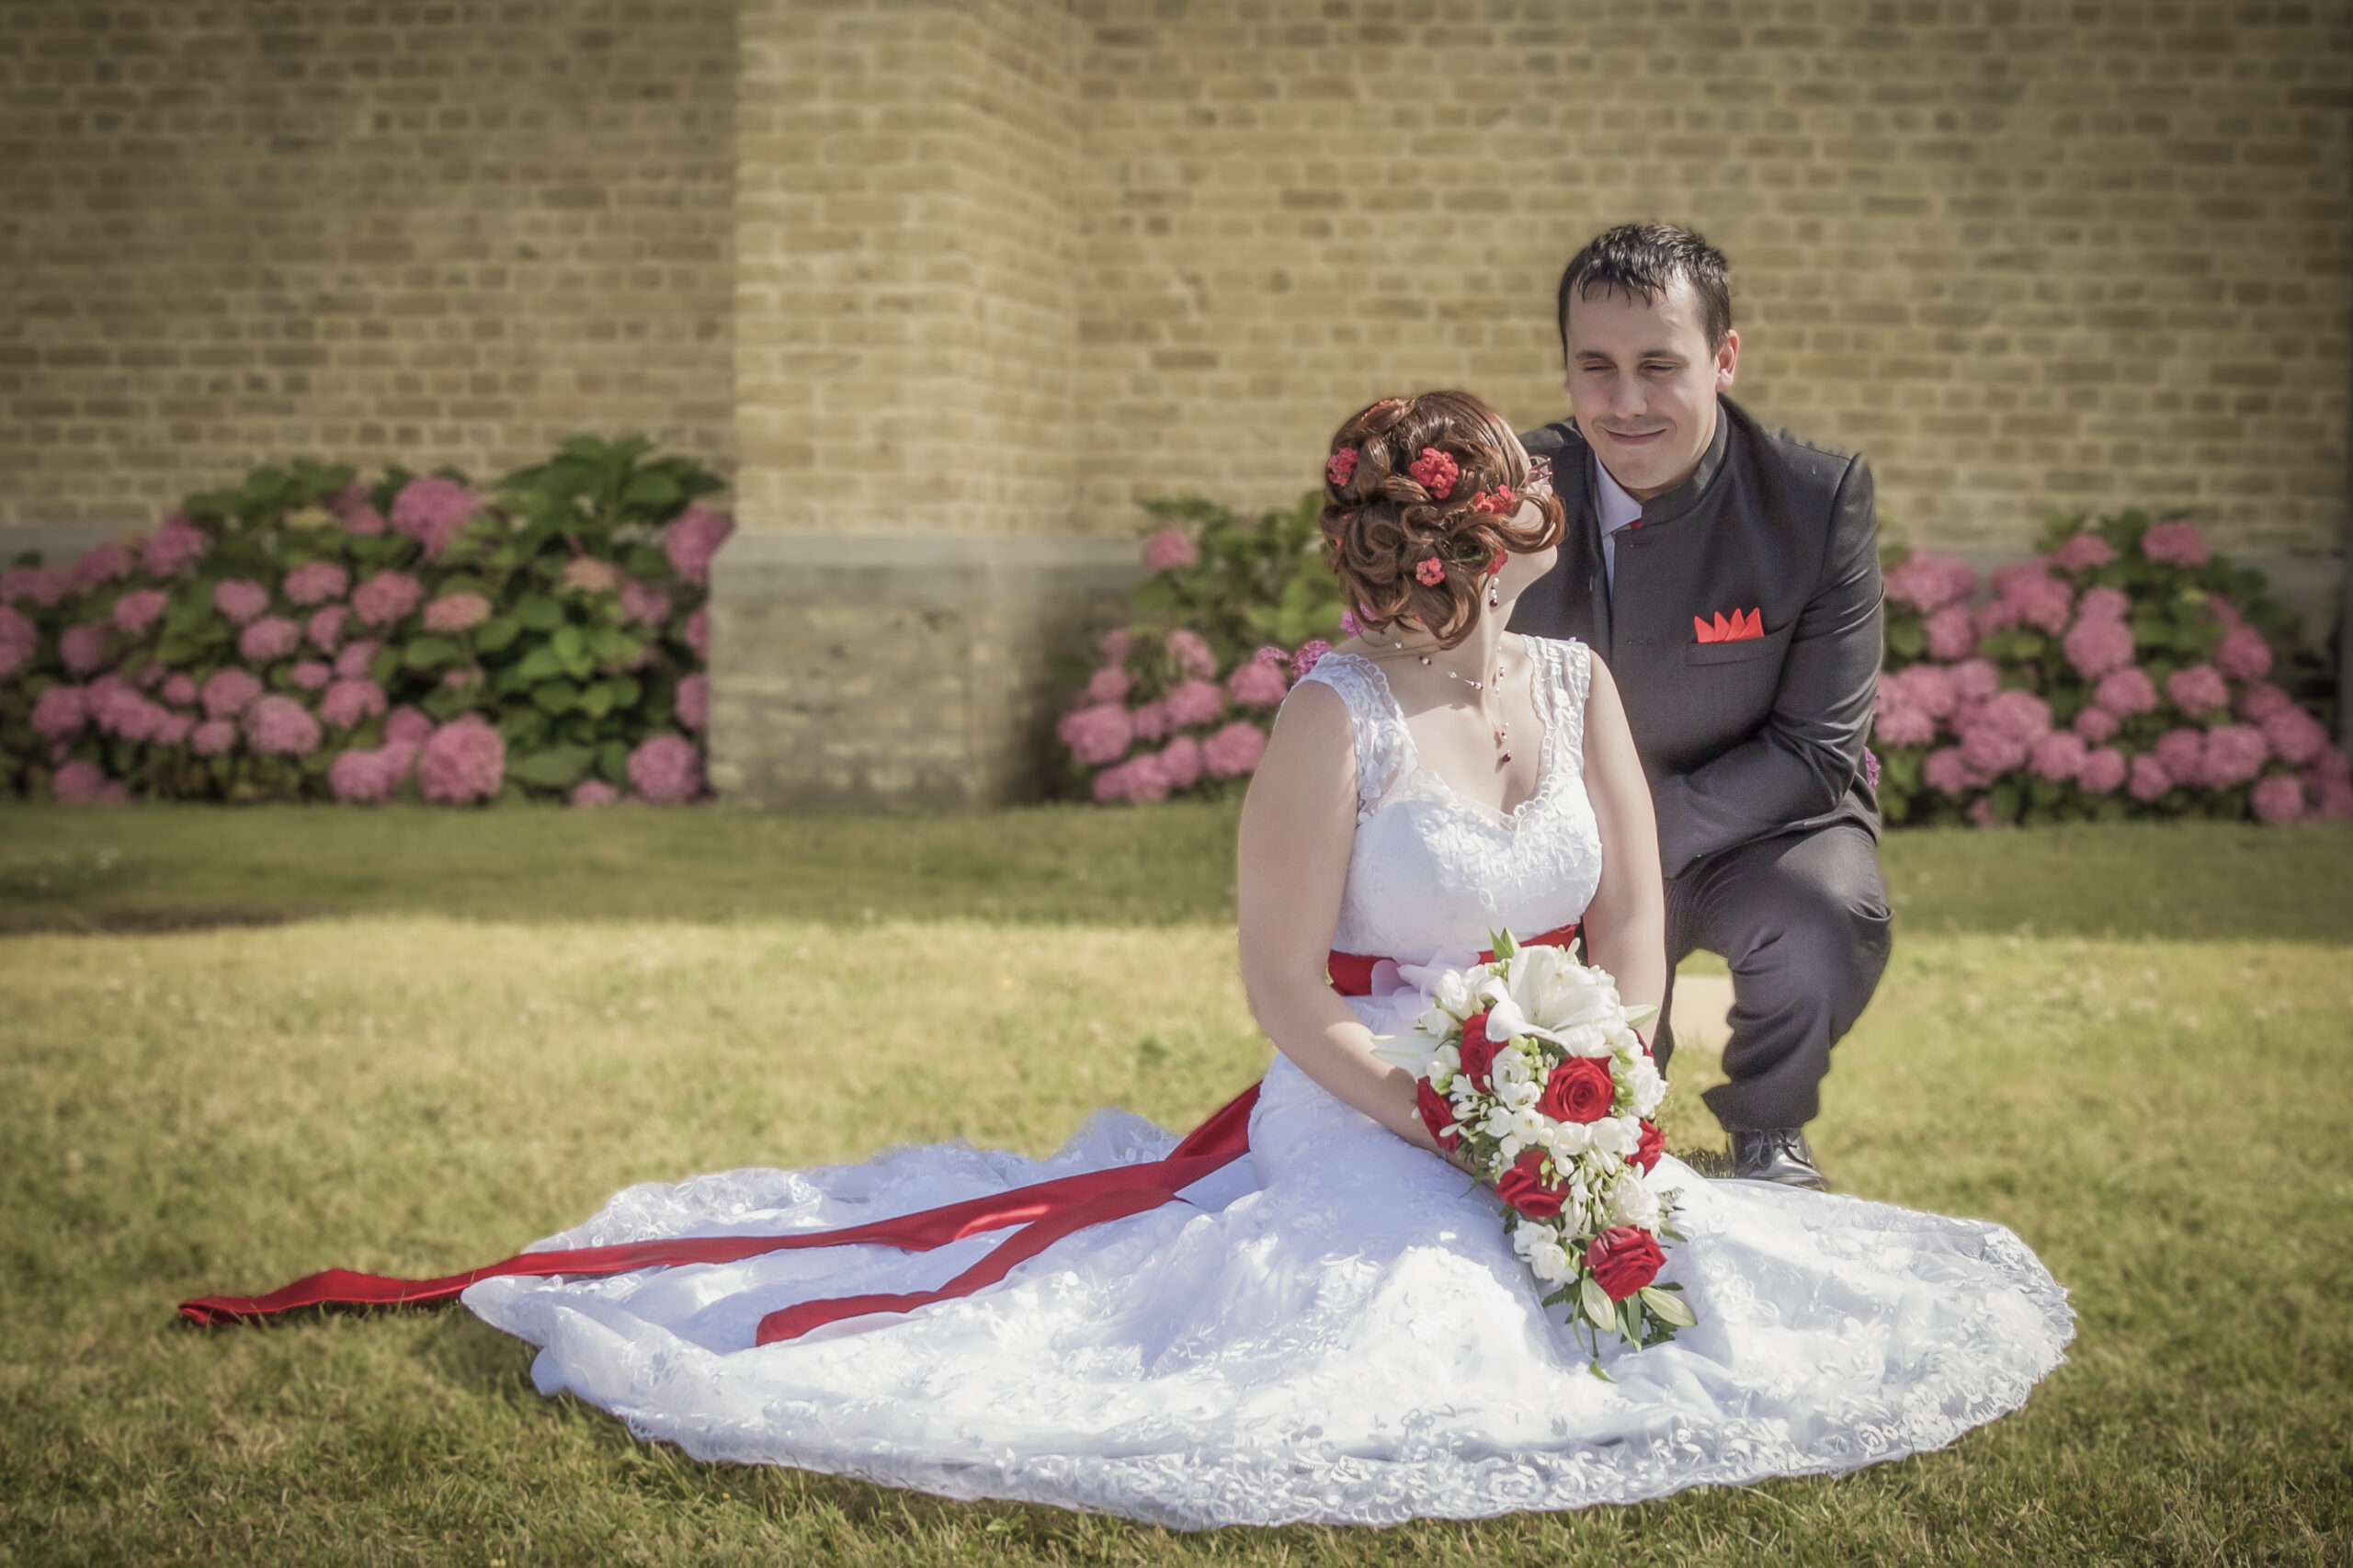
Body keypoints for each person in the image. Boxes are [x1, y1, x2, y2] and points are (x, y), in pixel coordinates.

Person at [182, 392, 2069, 1529]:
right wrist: (1444, 1107)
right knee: (1422, 1303)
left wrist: (1614, 1062)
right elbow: (1278, 992)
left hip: (1559, 1057)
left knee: (1669, 1277)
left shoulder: (1574, 682)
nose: (1481, 567)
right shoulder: (1327, 720)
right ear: (1429, 551)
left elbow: (1631, 904)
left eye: (1492, 537)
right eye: (1470, 537)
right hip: (1365, 1084)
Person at [1510, 223, 1892, 1190]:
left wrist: (1636, 835)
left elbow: (1816, 745)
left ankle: (1769, 1126)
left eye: (1658, 366)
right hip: (1565, 819)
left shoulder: (1813, 500)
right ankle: (1603, 1100)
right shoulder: (1511, 491)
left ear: (1722, 359)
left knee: (1826, 908)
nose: (1625, 402)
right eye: (1594, 367)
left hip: (1757, 822)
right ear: (1564, 371)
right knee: (1567, 1103)